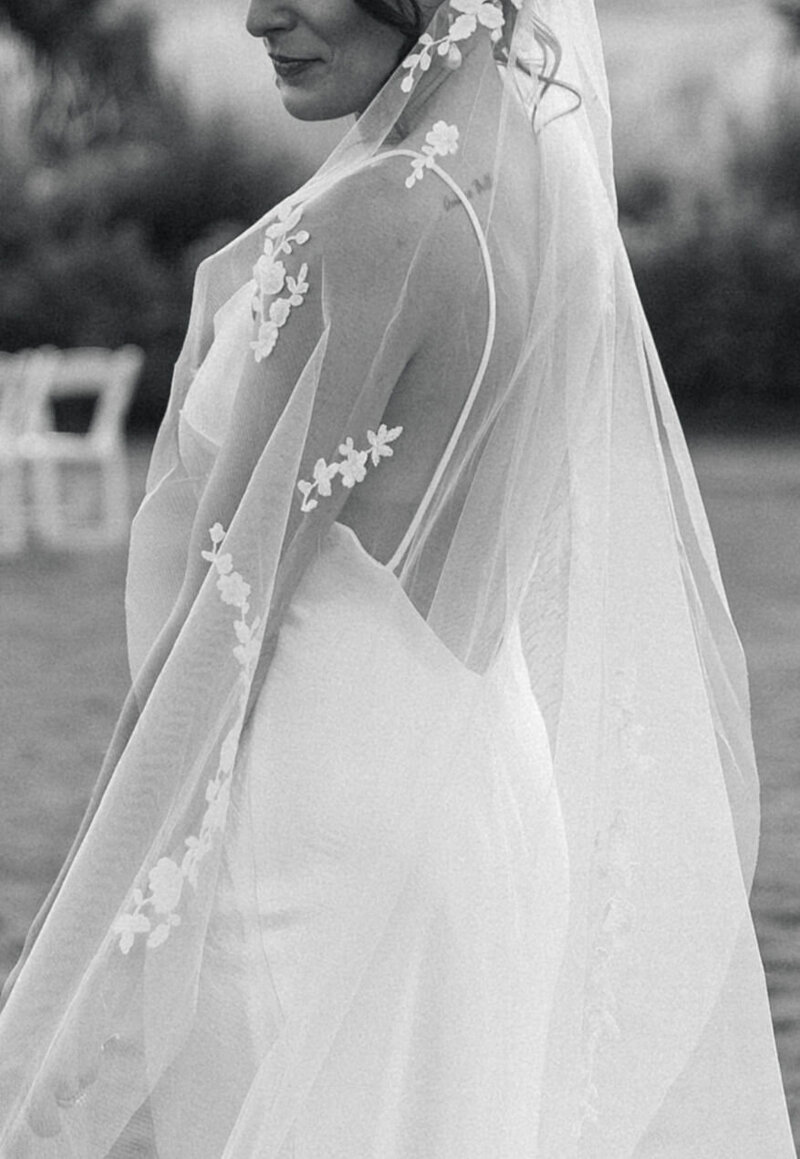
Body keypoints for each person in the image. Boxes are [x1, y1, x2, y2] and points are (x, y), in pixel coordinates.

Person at [0, 0, 795, 1153]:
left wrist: (78, 950)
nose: (257, 15)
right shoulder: (541, 175)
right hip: (478, 791)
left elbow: (222, 617)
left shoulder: (374, 223)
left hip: (314, 835)